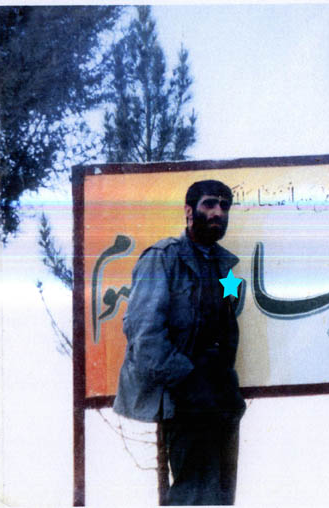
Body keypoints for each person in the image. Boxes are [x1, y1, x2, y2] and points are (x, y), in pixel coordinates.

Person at [113, 179, 246, 505]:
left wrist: (224, 382)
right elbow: (145, 336)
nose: (218, 212)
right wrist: (188, 379)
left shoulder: (222, 264)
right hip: (184, 399)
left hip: (219, 400)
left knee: (221, 496)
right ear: (189, 211)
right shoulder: (163, 258)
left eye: (224, 206)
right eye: (209, 204)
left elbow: (226, 329)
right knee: (192, 495)